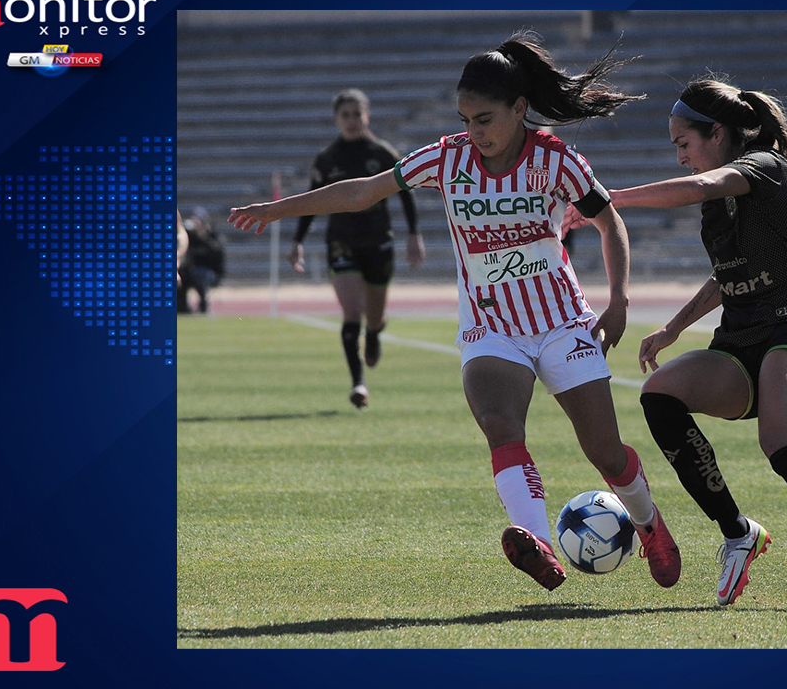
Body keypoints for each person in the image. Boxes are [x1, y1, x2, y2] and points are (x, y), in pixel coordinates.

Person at [228, 31, 681, 592]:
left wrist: (618, 302)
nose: (474, 132)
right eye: (466, 119)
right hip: (490, 325)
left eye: (485, 119)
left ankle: (649, 523)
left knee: (605, 452)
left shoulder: (556, 159)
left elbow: (609, 220)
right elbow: (364, 191)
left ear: (519, 109)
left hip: (562, 320)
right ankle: (538, 543)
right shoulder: (448, 158)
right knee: (499, 425)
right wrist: (278, 210)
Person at [595, 76, 787, 610]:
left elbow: (702, 187)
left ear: (718, 133)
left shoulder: (765, 168)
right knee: (660, 393)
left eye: (684, 144)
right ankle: (738, 532)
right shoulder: (717, 198)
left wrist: (608, 200)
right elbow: (726, 276)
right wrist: (675, 328)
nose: (681, 158)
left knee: (781, 443)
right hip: (741, 338)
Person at [290, 89, 426, 409]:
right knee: (352, 313)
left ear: (367, 116)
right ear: (336, 119)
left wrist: (413, 234)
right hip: (341, 241)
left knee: (374, 318)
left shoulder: (381, 153)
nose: (351, 121)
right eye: (345, 115)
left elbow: (406, 193)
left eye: (357, 114)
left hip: (378, 241)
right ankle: (358, 383)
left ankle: (376, 333)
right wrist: (297, 240)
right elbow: (312, 201)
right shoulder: (326, 159)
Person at [178, 208, 226, 314]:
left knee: (201, 275)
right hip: (193, 271)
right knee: (180, 276)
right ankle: (182, 308)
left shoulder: (212, 235)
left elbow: (216, 252)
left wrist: (201, 235)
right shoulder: (190, 236)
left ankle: (204, 307)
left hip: (210, 272)